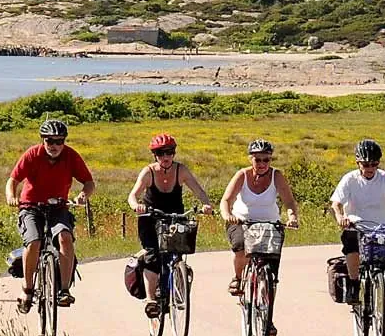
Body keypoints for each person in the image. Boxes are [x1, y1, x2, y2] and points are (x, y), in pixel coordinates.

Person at [5, 118, 95, 313]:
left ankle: (63, 289)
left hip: (58, 207)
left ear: (64, 141)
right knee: (34, 242)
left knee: (65, 238)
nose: (54, 146)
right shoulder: (32, 154)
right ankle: (27, 289)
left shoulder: (71, 156)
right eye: (49, 141)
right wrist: (12, 197)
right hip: (31, 207)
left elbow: (89, 182)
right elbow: (13, 180)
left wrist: (82, 195)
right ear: (42, 140)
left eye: (59, 141)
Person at [330, 139, 385, 336]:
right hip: (357, 225)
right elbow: (336, 203)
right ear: (358, 163)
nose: (370, 168)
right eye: (365, 164)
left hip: (382, 228)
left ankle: (384, 319)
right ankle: (353, 283)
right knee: (351, 244)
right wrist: (340, 217)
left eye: (374, 164)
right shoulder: (350, 179)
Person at [126, 133, 212, 319]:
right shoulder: (148, 172)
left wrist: (206, 204)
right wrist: (136, 206)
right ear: (155, 155)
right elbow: (133, 195)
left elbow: (199, 190)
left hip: (175, 216)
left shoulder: (181, 170)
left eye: (170, 152)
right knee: (153, 255)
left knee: (177, 253)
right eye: (161, 153)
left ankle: (177, 282)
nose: (166, 157)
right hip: (150, 217)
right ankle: (150, 300)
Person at [219, 139, 302, 301]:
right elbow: (226, 200)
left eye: (266, 159)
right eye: (258, 159)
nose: (262, 163)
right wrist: (228, 215)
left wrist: (292, 216)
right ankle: (237, 277)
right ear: (251, 159)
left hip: (270, 224)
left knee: (271, 271)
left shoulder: (276, 176)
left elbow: (289, 201)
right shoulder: (242, 175)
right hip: (242, 222)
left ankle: (267, 315)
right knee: (241, 247)